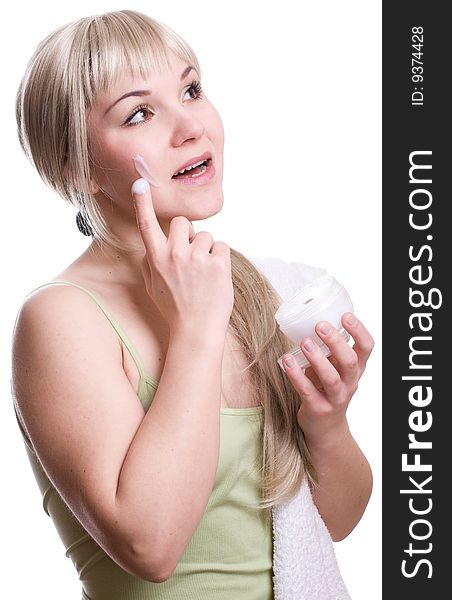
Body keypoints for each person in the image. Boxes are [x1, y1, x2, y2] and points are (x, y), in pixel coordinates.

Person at [11, 9, 374, 599]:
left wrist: (327, 423)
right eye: (140, 113)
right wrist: (197, 333)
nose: (190, 127)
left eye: (191, 89)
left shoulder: (257, 286)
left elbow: (334, 522)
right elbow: (149, 545)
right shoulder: (61, 318)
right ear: (75, 165)